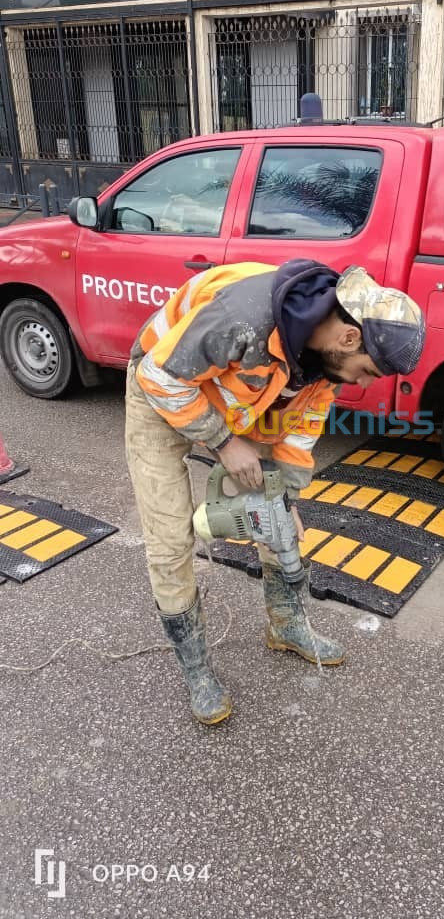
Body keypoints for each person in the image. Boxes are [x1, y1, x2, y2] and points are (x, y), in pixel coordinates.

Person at [125, 259, 425, 726]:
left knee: (277, 515)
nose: (364, 384)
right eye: (367, 371)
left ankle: (286, 626)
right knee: (168, 540)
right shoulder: (243, 317)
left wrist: (286, 499)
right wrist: (224, 443)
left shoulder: (324, 364)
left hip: (243, 398)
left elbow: (302, 430)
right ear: (348, 337)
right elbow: (162, 379)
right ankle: (197, 668)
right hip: (162, 387)